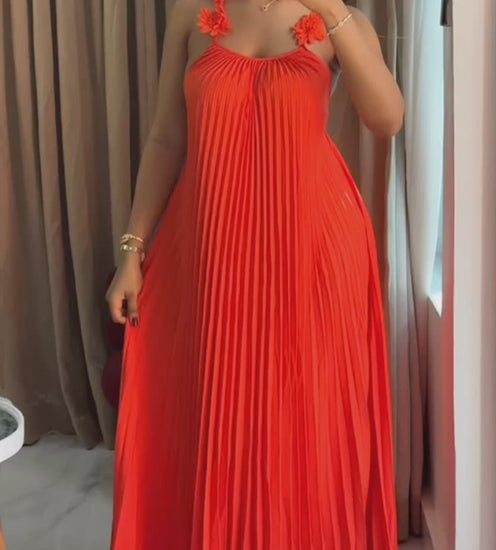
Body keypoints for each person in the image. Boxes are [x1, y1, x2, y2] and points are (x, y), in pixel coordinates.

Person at [106, 0, 404, 546]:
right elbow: (166, 138)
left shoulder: (341, 20)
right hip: (210, 250)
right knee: (209, 412)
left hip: (311, 253)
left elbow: (387, 120)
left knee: (301, 418)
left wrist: (331, 10)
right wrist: (132, 249)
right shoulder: (191, 12)